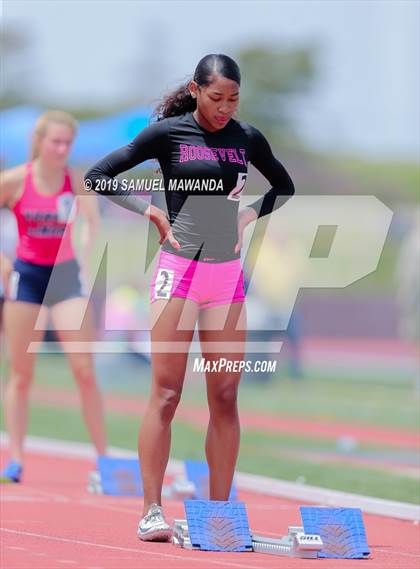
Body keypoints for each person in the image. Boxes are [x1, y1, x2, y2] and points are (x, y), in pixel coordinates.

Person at [85, 53, 295, 541]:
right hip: (179, 272)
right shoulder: (167, 134)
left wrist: (249, 215)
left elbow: (283, 186)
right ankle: (151, 510)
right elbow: (98, 175)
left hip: (225, 277)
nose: (225, 108)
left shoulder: (247, 139)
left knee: (225, 395)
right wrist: (149, 212)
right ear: (197, 91)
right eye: (217, 97)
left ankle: (219, 514)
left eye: (234, 99)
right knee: (167, 393)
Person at [0, 110, 107, 483]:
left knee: (84, 370)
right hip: (27, 277)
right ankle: (15, 458)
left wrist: (86, 256)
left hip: (65, 278)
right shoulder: (15, 180)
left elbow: (93, 224)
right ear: (40, 142)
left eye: (67, 143)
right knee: (21, 374)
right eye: (55, 142)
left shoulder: (76, 181)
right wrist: (4, 264)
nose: (62, 149)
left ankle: (104, 459)